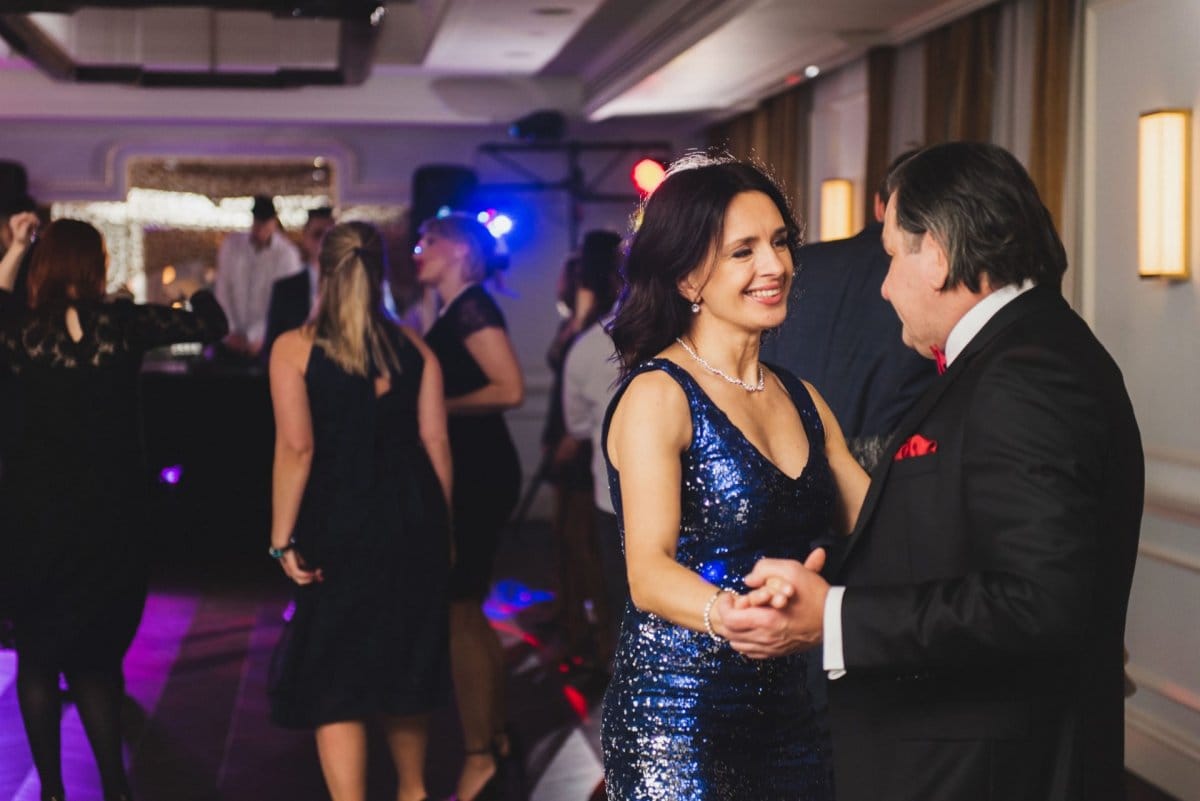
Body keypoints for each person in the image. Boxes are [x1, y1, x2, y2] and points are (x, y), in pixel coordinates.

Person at [723, 142, 1144, 801]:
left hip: (991, 769)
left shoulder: (1026, 374)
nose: (884, 285)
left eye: (892, 256)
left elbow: (1037, 601)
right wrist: (829, 573)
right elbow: (958, 540)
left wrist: (833, 617)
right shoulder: (1016, 356)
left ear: (940, 256)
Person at [600, 155, 868, 801]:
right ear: (690, 274)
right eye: (743, 251)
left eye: (778, 243)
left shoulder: (803, 397)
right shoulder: (658, 394)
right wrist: (731, 614)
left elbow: (883, 523)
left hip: (790, 715)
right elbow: (648, 570)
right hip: (676, 716)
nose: (774, 266)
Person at [0, 218, 228, 801]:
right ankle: (115, 789)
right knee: (98, 663)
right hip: (113, 522)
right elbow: (213, 325)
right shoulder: (123, 324)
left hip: (33, 522)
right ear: (97, 266)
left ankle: (51, 791)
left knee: (37, 658)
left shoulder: (22, 329)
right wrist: (190, 284)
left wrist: (19, 246)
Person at [267, 221, 453, 801]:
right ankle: (415, 791)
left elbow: (298, 449)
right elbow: (436, 446)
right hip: (409, 521)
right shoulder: (417, 349)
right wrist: (443, 535)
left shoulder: (294, 348)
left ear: (324, 269)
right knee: (405, 664)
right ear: (380, 272)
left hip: (338, 523)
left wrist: (281, 539)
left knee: (335, 676)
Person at [414, 212, 523, 801]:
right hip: (475, 470)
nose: (418, 251)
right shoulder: (455, 309)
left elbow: (510, 389)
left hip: (478, 475)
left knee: (459, 611)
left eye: (428, 242)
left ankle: (479, 755)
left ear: (458, 250)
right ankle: (495, 738)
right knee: (467, 609)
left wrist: (433, 407)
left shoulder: (473, 307)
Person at [761, 150, 935, 470]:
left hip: (788, 472)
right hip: (894, 480)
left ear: (877, 206)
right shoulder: (930, 286)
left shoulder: (795, 269)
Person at [214, 194, 301, 359]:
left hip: (267, 343)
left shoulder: (287, 254)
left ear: (274, 222)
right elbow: (223, 290)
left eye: (265, 223)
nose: (260, 228)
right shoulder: (232, 246)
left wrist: (256, 336)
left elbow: (282, 303)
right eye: (257, 222)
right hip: (231, 341)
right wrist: (230, 331)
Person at [262, 206, 336, 360]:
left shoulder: (351, 286)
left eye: (330, 236)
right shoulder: (285, 289)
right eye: (317, 235)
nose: (323, 242)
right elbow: (272, 346)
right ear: (306, 238)